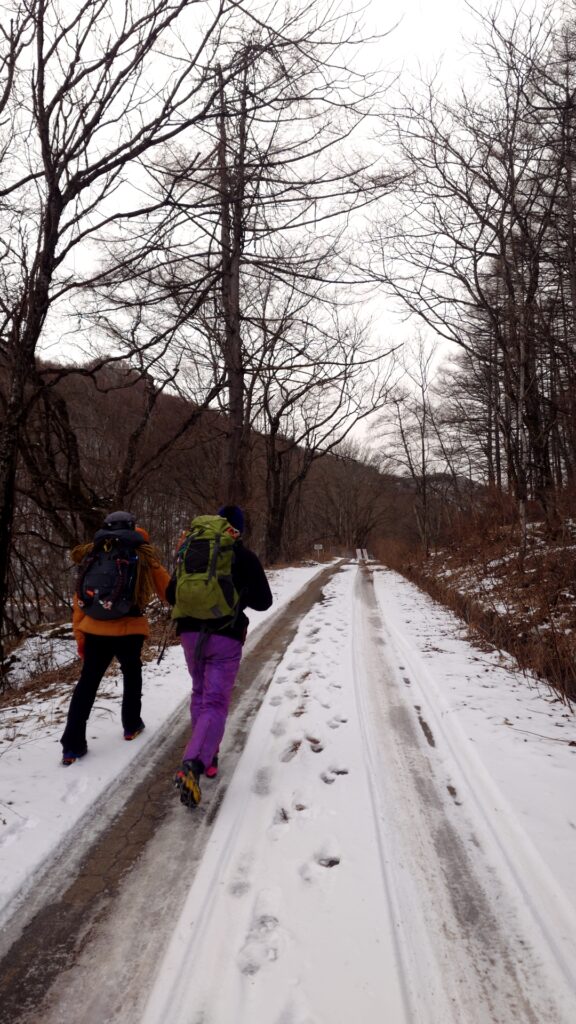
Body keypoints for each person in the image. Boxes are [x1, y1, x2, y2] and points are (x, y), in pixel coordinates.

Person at [169, 505, 273, 807]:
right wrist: (238, 595)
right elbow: (264, 601)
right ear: (238, 529)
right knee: (215, 702)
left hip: (190, 634)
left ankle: (209, 755)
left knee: (200, 693)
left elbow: (170, 593)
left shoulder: (192, 551)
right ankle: (194, 763)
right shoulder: (242, 555)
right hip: (225, 635)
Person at [60, 510, 171, 765]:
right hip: (129, 629)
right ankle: (131, 725)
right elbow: (168, 592)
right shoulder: (143, 553)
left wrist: (80, 635)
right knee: (132, 674)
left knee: (87, 683)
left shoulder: (94, 553)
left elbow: (80, 600)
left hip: (94, 629)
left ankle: (72, 745)